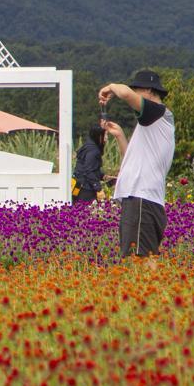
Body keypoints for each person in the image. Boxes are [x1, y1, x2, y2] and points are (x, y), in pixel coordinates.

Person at [99, 69, 175, 257]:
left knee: (139, 259)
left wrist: (109, 88)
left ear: (149, 91)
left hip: (142, 197)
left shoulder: (157, 112)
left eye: (138, 90)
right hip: (140, 198)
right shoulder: (152, 125)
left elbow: (124, 93)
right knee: (138, 257)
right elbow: (131, 162)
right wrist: (120, 136)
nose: (135, 95)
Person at [73, 122, 105, 204]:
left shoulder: (87, 146)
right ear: (99, 136)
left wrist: (103, 176)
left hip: (78, 185)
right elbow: (89, 170)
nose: (106, 138)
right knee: (86, 212)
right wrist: (98, 188)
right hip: (86, 188)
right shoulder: (94, 150)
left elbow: (87, 166)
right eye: (105, 135)